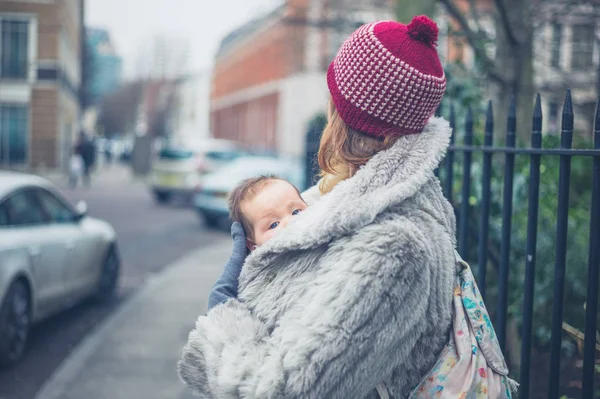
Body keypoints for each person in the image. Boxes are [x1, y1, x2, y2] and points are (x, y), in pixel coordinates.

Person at [179, 16, 513, 398]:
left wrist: (223, 320)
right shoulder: (364, 202)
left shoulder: (392, 250)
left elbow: (282, 389)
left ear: (346, 114)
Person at [208, 176, 308, 310]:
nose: (289, 222)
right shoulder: (258, 281)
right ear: (253, 246)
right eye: (273, 225)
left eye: (296, 211)